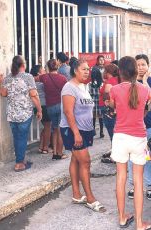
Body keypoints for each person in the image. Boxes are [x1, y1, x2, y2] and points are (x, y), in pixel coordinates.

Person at [108, 56, 151, 230]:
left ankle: (122, 218)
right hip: (139, 138)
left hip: (120, 137)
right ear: (136, 71)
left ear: (120, 72)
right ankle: (138, 223)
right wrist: (144, 80)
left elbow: (113, 106)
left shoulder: (114, 89)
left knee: (120, 178)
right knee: (138, 180)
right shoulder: (143, 90)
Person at [60, 58, 106, 213]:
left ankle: (76, 194)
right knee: (85, 162)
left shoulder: (83, 86)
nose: (87, 71)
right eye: (84, 69)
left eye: (88, 69)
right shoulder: (69, 88)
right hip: (73, 130)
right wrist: (76, 133)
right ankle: (90, 198)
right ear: (75, 70)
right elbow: (68, 112)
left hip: (85, 130)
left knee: (76, 159)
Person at [0, 56, 42, 172]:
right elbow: (33, 95)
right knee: (22, 138)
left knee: (17, 137)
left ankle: (20, 160)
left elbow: (3, 93)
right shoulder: (28, 77)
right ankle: (19, 163)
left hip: (11, 114)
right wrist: (39, 110)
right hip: (24, 113)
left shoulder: (8, 78)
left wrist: (0, 82)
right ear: (23, 64)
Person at [127, 54, 151, 201]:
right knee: (132, 157)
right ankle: (133, 185)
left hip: (148, 126)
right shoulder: (129, 83)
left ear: (148, 66)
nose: (140, 68)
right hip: (132, 127)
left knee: (148, 157)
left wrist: (145, 82)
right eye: (138, 65)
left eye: (143, 65)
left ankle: (149, 186)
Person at [38, 59, 68, 159]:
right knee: (60, 130)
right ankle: (59, 153)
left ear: (48, 67)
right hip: (60, 105)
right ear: (57, 67)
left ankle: (55, 152)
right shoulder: (63, 78)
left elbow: (33, 79)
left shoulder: (44, 77)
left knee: (54, 129)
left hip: (49, 106)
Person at [100, 64, 120, 163]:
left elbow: (107, 94)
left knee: (112, 132)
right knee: (114, 132)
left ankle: (115, 156)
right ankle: (114, 151)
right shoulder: (118, 80)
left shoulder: (110, 82)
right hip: (114, 110)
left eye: (105, 71)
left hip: (108, 110)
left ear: (108, 72)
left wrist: (108, 104)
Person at [30, 65, 52, 154]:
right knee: (48, 127)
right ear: (39, 73)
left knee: (45, 127)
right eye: (43, 70)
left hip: (37, 106)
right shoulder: (42, 82)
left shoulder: (32, 83)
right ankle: (46, 148)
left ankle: (41, 146)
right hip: (44, 106)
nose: (44, 71)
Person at [89, 55, 105, 138]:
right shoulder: (95, 69)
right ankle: (97, 131)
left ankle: (99, 131)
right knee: (97, 116)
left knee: (97, 116)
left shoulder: (105, 69)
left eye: (103, 59)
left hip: (96, 99)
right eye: (100, 60)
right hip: (98, 98)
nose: (102, 61)